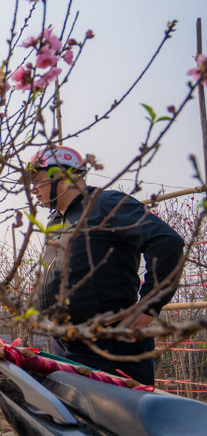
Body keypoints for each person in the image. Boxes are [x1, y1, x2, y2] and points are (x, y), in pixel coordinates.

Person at [28, 145, 185, 385]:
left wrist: (148, 307)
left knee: (121, 420)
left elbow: (166, 242)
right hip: (65, 347)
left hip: (109, 348)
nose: (33, 190)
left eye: (37, 181)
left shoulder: (105, 204)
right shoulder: (56, 221)